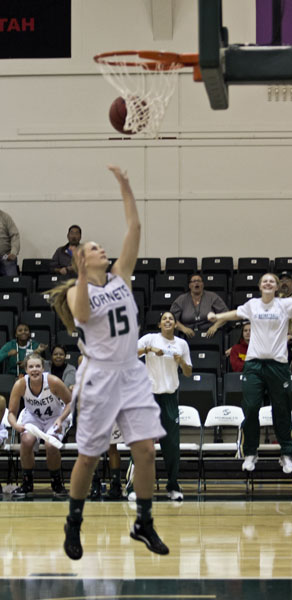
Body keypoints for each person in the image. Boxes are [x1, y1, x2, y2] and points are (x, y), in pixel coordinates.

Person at [48, 165, 169, 559]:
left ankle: (144, 521)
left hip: (131, 373)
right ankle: (74, 521)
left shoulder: (121, 277)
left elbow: (134, 229)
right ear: (83, 260)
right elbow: (81, 314)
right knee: (89, 455)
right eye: (93, 248)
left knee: (146, 450)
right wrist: (80, 277)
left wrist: (126, 186)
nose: (101, 249)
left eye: (100, 246)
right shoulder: (74, 292)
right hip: (98, 375)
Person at [208, 272, 292, 475]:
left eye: (272, 281)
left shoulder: (285, 305)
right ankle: (250, 452)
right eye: (265, 281)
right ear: (260, 286)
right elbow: (235, 314)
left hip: (278, 366)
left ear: (276, 287)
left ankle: (286, 454)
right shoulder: (252, 305)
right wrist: (218, 317)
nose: (268, 283)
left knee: (282, 410)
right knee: (250, 408)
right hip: (254, 366)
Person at [127, 311, 192, 502]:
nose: (168, 321)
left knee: (172, 445)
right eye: (164, 318)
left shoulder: (182, 344)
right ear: (159, 324)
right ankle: (133, 487)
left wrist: (181, 362)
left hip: (170, 398)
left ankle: (172, 486)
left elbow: (188, 372)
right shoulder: (150, 339)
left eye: (171, 318)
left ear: (175, 324)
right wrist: (148, 350)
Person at [8, 353, 72, 497]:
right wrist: (15, 426)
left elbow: (70, 403)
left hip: (55, 417)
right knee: (26, 440)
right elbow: (11, 412)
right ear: (26, 369)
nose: (35, 369)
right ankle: (27, 483)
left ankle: (56, 483)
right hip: (33, 417)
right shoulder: (20, 384)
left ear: (43, 368)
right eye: (31, 366)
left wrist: (61, 419)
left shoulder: (53, 381)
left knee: (51, 444)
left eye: (38, 366)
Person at [170, 273, 228, 338]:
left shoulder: (212, 297)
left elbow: (225, 314)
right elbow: (172, 319)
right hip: (187, 335)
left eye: (199, 281)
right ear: (189, 285)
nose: (196, 283)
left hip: (210, 334)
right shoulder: (181, 299)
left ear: (203, 284)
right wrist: (183, 329)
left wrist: (215, 326)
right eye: (194, 281)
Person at [0, 209, 20, 276]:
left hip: (5, 256)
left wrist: (13, 253)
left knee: (12, 282)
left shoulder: (5, 217)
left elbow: (15, 236)